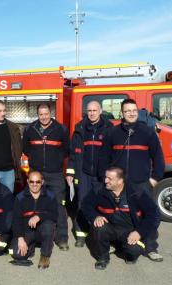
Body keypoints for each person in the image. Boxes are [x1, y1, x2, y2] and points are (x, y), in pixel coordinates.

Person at [99, 98, 165, 262]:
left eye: (134, 110)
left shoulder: (147, 131)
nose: (131, 113)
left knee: (147, 215)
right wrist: (106, 179)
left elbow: (158, 158)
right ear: (122, 113)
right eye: (127, 111)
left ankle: (150, 247)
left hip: (141, 183)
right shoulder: (113, 133)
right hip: (118, 185)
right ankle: (118, 243)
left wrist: (154, 179)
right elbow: (103, 158)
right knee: (116, 214)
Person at [82, 166, 160, 270]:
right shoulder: (98, 190)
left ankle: (123, 249)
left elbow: (153, 214)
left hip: (130, 231)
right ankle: (102, 258)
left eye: (110, 179)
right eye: (106, 177)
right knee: (99, 227)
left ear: (120, 181)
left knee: (133, 252)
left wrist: (139, 232)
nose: (105, 181)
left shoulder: (136, 192)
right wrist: (95, 216)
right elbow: (85, 205)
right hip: (110, 228)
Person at [22, 103, 70, 250]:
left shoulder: (60, 129)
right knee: (35, 204)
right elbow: (26, 149)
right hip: (37, 173)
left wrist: (54, 160)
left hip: (55, 174)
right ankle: (35, 235)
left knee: (59, 206)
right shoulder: (30, 129)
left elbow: (67, 150)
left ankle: (61, 238)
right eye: (41, 114)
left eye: (46, 114)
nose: (43, 117)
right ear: (38, 115)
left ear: (51, 113)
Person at [66, 101, 113, 247]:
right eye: (89, 110)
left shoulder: (109, 128)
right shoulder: (80, 128)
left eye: (95, 110)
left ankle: (101, 234)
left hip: (101, 175)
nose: (92, 113)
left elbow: (113, 152)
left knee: (103, 204)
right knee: (82, 204)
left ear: (101, 111)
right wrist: (70, 172)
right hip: (84, 174)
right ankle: (81, 234)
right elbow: (73, 153)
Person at [10, 171, 58, 269]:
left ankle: (45, 256)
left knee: (49, 225)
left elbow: (55, 215)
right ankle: (30, 247)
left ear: (42, 182)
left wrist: (39, 217)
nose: (34, 184)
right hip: (27, 232)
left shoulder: (50, 196)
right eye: (32, 181)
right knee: (15, 254)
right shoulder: (20, 197)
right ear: (27, 181)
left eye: (38, 182)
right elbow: (16, 220)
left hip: (42, 231)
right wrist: (20, 239)